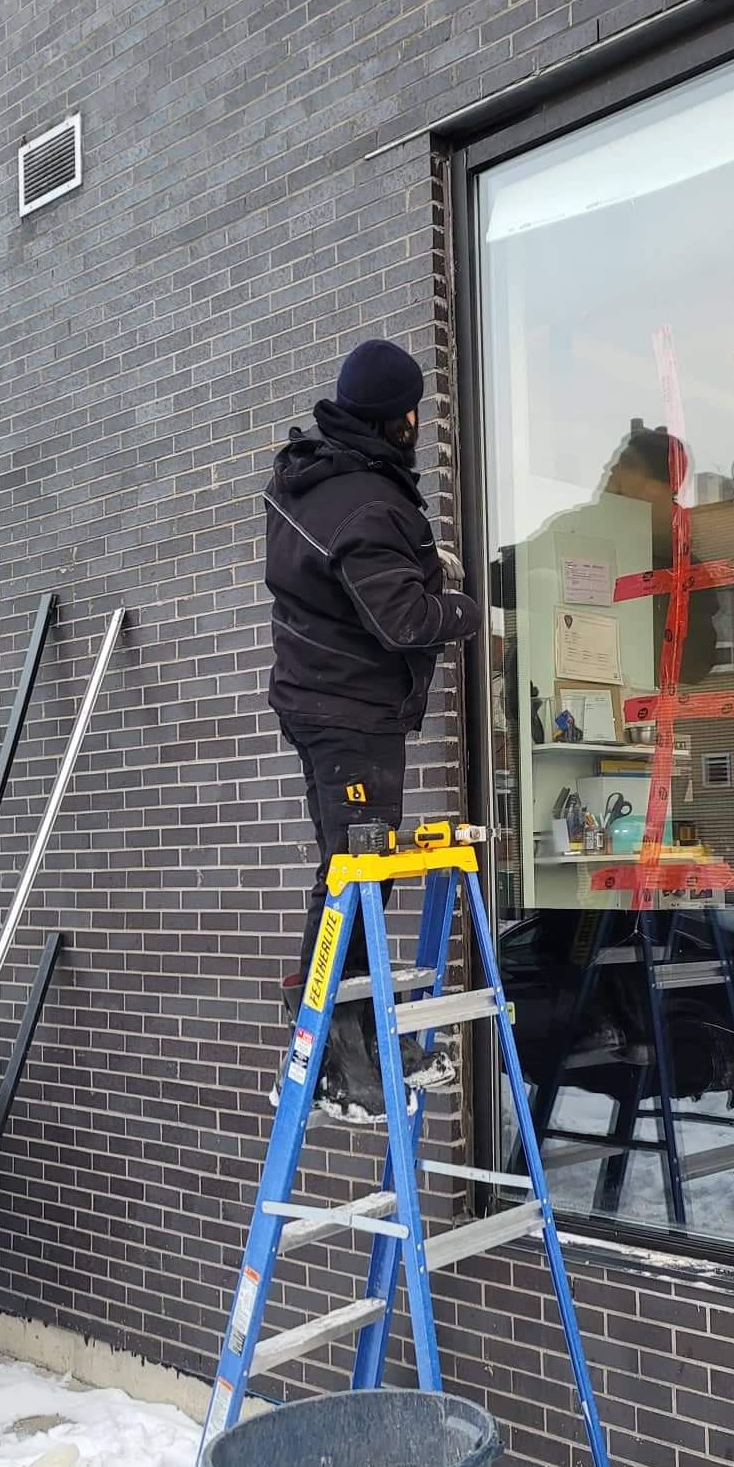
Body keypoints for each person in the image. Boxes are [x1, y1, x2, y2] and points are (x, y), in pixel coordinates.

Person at [265, 337, 480, 1114]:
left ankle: (357, 1045)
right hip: (349, 712)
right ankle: (329, 1058)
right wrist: (467, 608)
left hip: (323, 699)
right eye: (415, 414)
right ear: (400, 420)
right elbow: (402, 620)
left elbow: (353, 584)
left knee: (353, 874)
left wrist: (424, 564)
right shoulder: (367, 500)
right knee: (351, 881)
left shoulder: (321, 476)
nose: (417, 425)